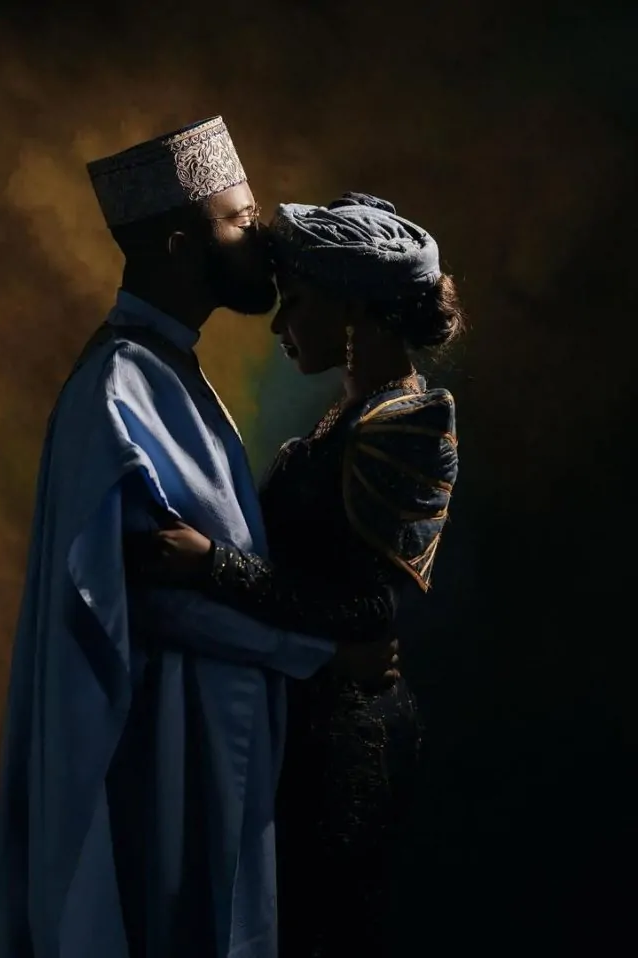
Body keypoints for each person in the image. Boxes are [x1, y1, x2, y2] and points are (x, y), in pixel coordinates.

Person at [0, 118, 399, 958]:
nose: (264, 238)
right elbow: (144, 601)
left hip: (211, 742)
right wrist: (321, 654)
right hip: (164, 750)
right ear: (180, 244)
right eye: (240, 220)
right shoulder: (119, 388)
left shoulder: (165, 366)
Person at [128, 192, 464, 957]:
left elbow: (362, 611)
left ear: (353, 311)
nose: (280, 325)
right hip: (308, 713)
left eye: (298, 303)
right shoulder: (351, 415)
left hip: (347, 734)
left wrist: (211, 564)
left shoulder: (405, 425)